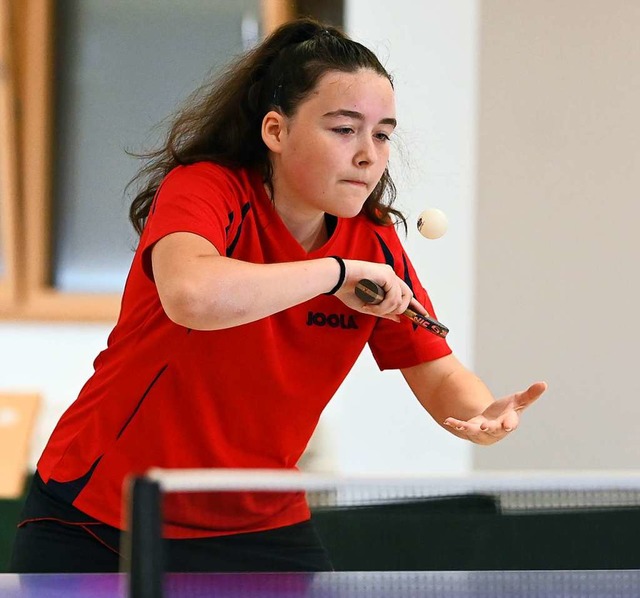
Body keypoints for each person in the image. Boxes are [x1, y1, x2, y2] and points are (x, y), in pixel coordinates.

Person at [10, 18, 546, 574]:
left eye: (382, 134)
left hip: (258, 520)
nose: (369, 154)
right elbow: (191, 295)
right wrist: (332, 273)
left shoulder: (374, 240)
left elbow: (434, 368)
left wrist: (482, 414)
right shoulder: (209, 190)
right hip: (108, 513)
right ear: (276, 131)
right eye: (344, 129)